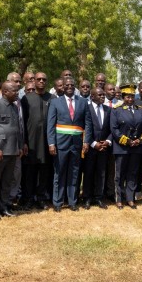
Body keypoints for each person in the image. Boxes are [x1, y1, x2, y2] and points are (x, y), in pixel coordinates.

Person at [0, 82, 26, 220]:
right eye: (14, 90)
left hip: (12, 150)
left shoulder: (14, 107)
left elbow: (17, 129)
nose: (17, 93)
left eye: (17, 90)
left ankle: (3, 207)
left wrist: (19, 146)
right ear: (5, 92)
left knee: (7, 182)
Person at [46, 77, 88, 211]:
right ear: (62, 87)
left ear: (75, 87)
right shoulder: (55, 102)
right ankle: (58, 202)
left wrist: (86, 141)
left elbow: (87, 123)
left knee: (74, 173)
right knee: (59, 173)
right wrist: (51, 143)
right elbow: (50, 124)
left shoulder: (83, 102)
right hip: (60, 144)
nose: (69, 87)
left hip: (77, 144)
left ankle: (72, 202)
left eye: (72, 85)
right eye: (67, 85)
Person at [111, 85, 142, 209]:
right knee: (120, 174)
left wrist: (140, 140)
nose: (130, 99)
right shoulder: (116, 110)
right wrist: (127, 141)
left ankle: (130, 198)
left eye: (132, 97)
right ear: (123, 97)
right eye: (127, 97)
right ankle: (119, 199)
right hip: (122, 147)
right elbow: (114, 129)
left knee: (133, 173)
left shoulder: (141, 110)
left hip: (137, 147)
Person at [21, 72, 53, 209]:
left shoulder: (52, 98)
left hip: (47, 142)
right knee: (30, 172)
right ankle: (28, 199)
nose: (41, 81)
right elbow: (22, 122)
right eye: (38, 79)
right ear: (34, 81)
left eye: (43, 79)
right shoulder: (26, 99)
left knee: (44, 172)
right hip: (31, 142)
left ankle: (41, 198)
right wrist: (24, 142)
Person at [82, 87, 111, 209]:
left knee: (101, 173)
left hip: (104, 148)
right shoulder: (86, 108)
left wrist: (108, 141)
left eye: (103, 94)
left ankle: (98, 197)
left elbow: (111, 128)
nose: (103, 96)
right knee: (89, 173)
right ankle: (87, 198)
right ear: (92, 96)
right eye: (100, 95)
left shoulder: (108, 109)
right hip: (90, 148)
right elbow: (84, 128)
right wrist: (93, 143)